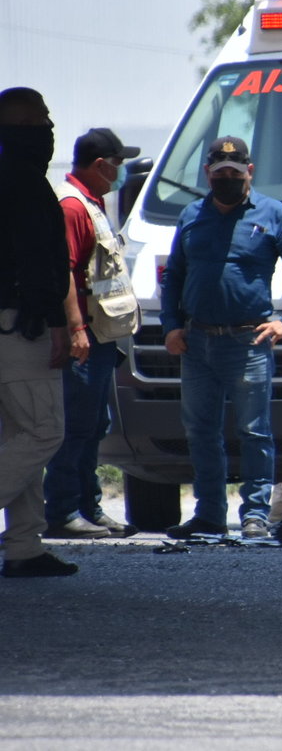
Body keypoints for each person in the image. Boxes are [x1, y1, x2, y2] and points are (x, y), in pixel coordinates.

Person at [161, 136, 282, 540]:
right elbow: (175, 276)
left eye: (235, 173)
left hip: (249, 342)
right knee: (200, 431)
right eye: (220, 174)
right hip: (197, 342)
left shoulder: (273, 214)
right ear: (207, 174)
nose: (227, 179)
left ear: (249, 172)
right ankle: (209, 514)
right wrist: (170, 326)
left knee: (254, 431)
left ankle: (255, 515)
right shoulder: (191, 215)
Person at [43, 128, 142, 540]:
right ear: (99, 164)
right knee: (76, 427)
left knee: (94, 425)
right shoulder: (72, 206)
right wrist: (76, 329)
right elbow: (63, 270)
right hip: (86, 337)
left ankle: (89, 506)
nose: (120, 172)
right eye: (117, 164)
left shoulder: (93, 202)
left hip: (101, 337)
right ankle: (63, 511)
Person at [0, 87, 78, 577]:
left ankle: (24, 546)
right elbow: (39, 262)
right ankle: (23, 544)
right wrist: (57, 323)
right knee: (45, 431)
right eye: (39, 123)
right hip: (18, 324)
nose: (48, 131)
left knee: (16, 432)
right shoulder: (25, 183)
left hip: (10, 320)